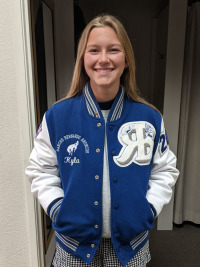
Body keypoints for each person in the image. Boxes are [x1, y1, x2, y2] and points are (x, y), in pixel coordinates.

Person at [26, 14, 179, 267]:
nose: (104, 59)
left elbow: (164, 170)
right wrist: (58, 210)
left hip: (131, 246)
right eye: (94, 50)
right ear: (83, 59)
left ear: (126, 58)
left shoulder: (149, 118)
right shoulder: (57, 116)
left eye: (114, 50)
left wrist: (148, 210)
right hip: (73, 246)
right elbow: (40, 169)